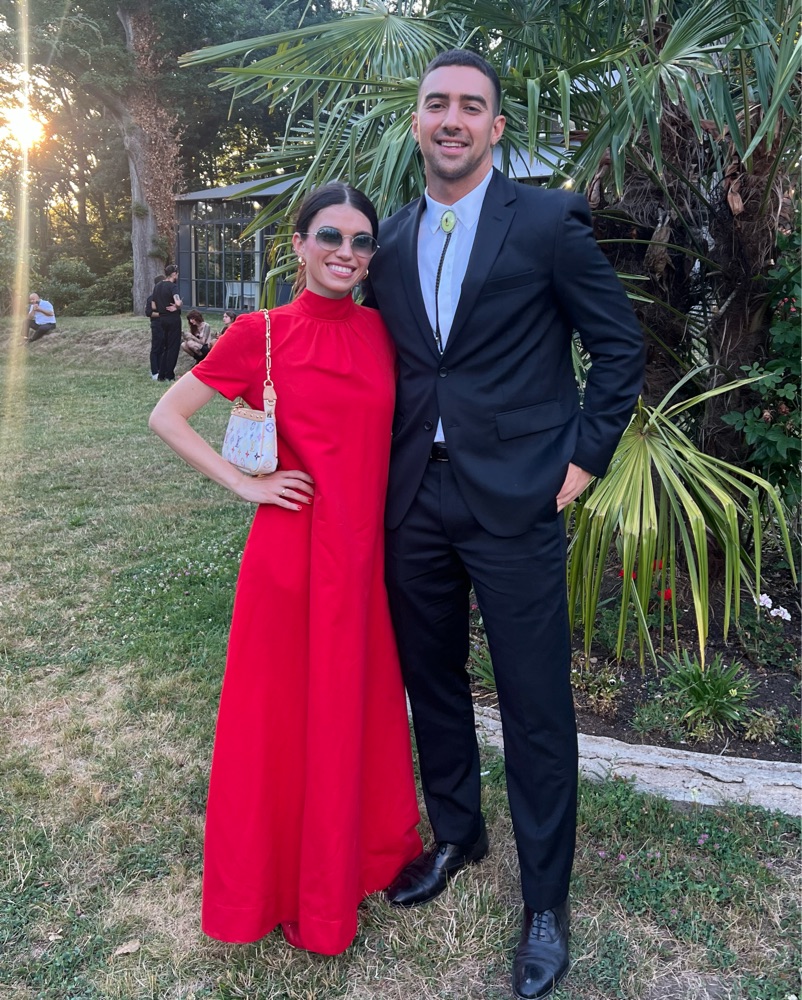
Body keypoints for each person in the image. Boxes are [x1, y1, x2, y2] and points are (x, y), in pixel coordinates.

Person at [364, 50, 644, 999]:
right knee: (432, 681)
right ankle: (457, 835)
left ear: (495, 127)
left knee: (534, 702)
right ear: (417, 122)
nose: (452, 119)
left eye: (470, 106)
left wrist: (584, 459)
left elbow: (618, 346)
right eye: (436, 103)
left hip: (519, 498)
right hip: (414, 499)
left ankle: (545, 904)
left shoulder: (549, 222)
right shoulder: (388, 240)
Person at [148, 181, 422, 956]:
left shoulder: (384, 334)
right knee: (281, 720)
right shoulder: (260, 332)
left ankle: (354, 863)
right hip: (292, 557)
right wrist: (244, 485)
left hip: (364, 558)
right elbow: (167, 416)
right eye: (330, 236)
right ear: (299, 245)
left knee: (352, 708)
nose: (346, 252)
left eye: (361, 241)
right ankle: (275, 884)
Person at [152, 264, 182, 381]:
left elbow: (153, 305)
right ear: (174, 274)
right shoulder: (172, 286)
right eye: (177, 273)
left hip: (162, 319)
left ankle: (161, 375)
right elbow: (178, 302)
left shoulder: (157, 286)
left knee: (165, 347)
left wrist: (162, 307)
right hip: (173, 319)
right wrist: (177, 306)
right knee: (173, 347)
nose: (178, 275)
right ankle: (169, 375)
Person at [146, 274, 165, 380]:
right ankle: (154, 371)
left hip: (165, 325)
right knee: (156, 348)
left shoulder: (166, 297)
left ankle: (161, 369)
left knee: (163, 348)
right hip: (157, 325)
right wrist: (162, 314)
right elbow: (148, 312)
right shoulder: (152, 298)